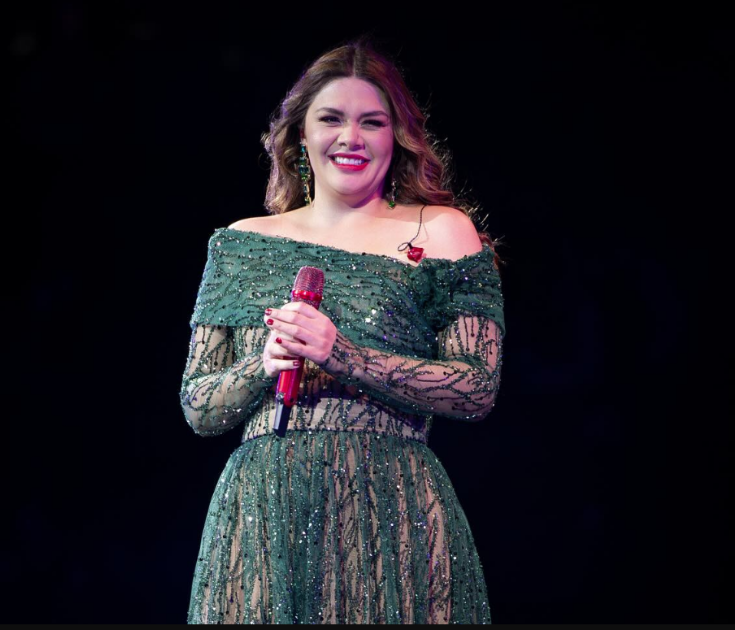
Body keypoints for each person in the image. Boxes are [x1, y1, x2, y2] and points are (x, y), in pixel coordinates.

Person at [180, 39, 506, 624]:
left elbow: (475, 387)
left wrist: (345, 356)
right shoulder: (241, 243)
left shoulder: (441, 232)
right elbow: (198, 406)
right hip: (263, 511)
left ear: (397, 137)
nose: (351, 137)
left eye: (371, 122)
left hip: (392, 506)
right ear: (300, 135)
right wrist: (264, 363)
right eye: (331, 119)